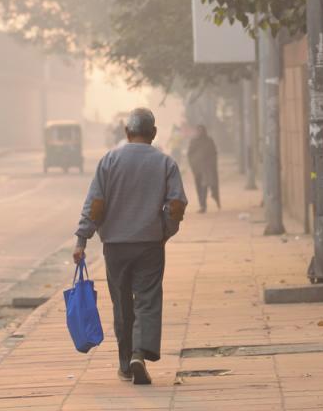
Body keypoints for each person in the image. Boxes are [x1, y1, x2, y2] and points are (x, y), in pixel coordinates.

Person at [73, 108, 187, 385]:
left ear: (127, 132)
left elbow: (96, 203)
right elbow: (176, 204)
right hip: (149, 244)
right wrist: (164, 232)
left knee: (122, 303)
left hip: (115, 246)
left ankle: (125, 363)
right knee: (147, 300)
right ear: (154, 133)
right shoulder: (165, 163)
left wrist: (82, 239)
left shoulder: (110, 160)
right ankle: (139, 353)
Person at [187, 124, 220, 213]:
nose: (200, 132)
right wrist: (193, 165)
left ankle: (204, 205)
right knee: (199, 187)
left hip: (207, 168)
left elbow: (214, 153)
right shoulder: (194, 141)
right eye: (199, 130)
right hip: (197, 169)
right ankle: (202, 204)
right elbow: (189, 154)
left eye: (202, 130)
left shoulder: (209, 141)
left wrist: (212, 164)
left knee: (204, 186)